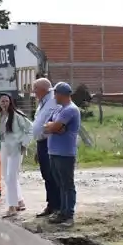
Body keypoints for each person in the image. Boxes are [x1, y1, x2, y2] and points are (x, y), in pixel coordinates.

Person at [43, 82, 81, 226]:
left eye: (55, 93)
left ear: (61, 94)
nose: (54, 96)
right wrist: (53, 127)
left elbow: (56, 126)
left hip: (65, 153)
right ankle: (62, 211)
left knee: (67, 184)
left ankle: (69, 214)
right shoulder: (58, 109)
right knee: (60, 183)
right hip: (54, 151)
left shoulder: (70, 110)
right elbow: (47, 127)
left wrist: (54, 127)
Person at [0, 93, 32, 217]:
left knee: (11, 176)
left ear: (10, 102)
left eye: (6, 101)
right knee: (6, 176)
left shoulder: (17, 116)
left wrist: (24, 144)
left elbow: (30, 129)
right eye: (2, 101)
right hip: (4, 148)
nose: (4, 103)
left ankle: (12, 206)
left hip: (16, 148)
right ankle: (20, 200)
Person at [30, 78, 60, 217]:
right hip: (42, 143)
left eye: (35, 88)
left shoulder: (54, 102)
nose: (33, 91)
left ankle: (57, 206)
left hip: (51, 142)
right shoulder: (42, 102)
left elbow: (54, 122)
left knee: (52, 175)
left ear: (44, 89)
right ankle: (51, 204)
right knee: (46, 175)